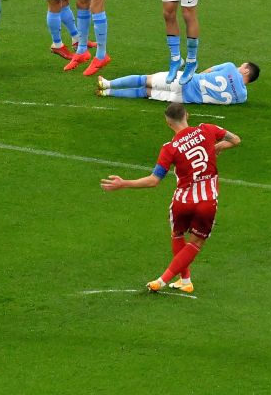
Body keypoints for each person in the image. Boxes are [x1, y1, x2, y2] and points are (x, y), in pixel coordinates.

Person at [100, 102, 241, 294]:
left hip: (182, 201)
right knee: (196, 242)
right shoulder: (207, 129)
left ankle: (184, 280)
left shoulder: (170, 148)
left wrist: (124, 183)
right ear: (187, 115)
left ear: (168, 123)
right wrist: (215, 147)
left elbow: (153, 180)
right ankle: (165, 280)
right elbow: (235, 140)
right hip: (207, 199)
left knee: (177, 235)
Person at [96, 61, 259, 105]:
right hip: (183, 99)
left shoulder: (230, 67)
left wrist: (195, 77)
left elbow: (209, 70)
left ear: (245, 71)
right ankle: (107, 93)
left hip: (184, 82)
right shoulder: (242, 97)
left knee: (145, 80)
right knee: (144, 93)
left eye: (242, 66)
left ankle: (108, 84)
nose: (239, 67)